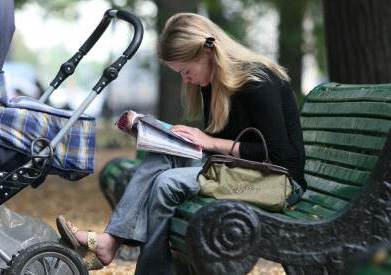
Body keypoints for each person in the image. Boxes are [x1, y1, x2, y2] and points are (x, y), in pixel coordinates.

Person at [57, 12, 306, 274]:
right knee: (159, 157)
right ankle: (110, 241)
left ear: (208, 53)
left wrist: (209, 141)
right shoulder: (212, 83)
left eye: (186, 71)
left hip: (279, 182)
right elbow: (221, 143)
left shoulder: (259, 81)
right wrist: (160, 136)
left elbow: (280, 156)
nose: (186, 80)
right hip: (240, 169)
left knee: (168, 182)